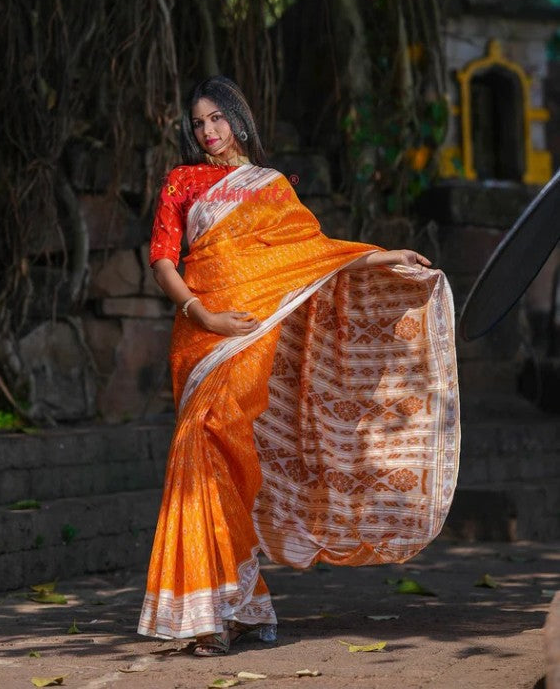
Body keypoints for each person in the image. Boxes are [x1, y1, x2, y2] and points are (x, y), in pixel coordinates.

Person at [137, 75, 459, 656]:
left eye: (217, 119)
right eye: (198, 123)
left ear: (238, 118)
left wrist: (380, 257)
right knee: (200, 452)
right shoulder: (181, 182)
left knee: (231, 456)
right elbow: (163, 261)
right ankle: (223, 608)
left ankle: (224, 607)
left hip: (254, 333)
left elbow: (312, 254)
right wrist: (202, 314)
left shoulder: (271, 186)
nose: (208, 132)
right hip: (201, 336)